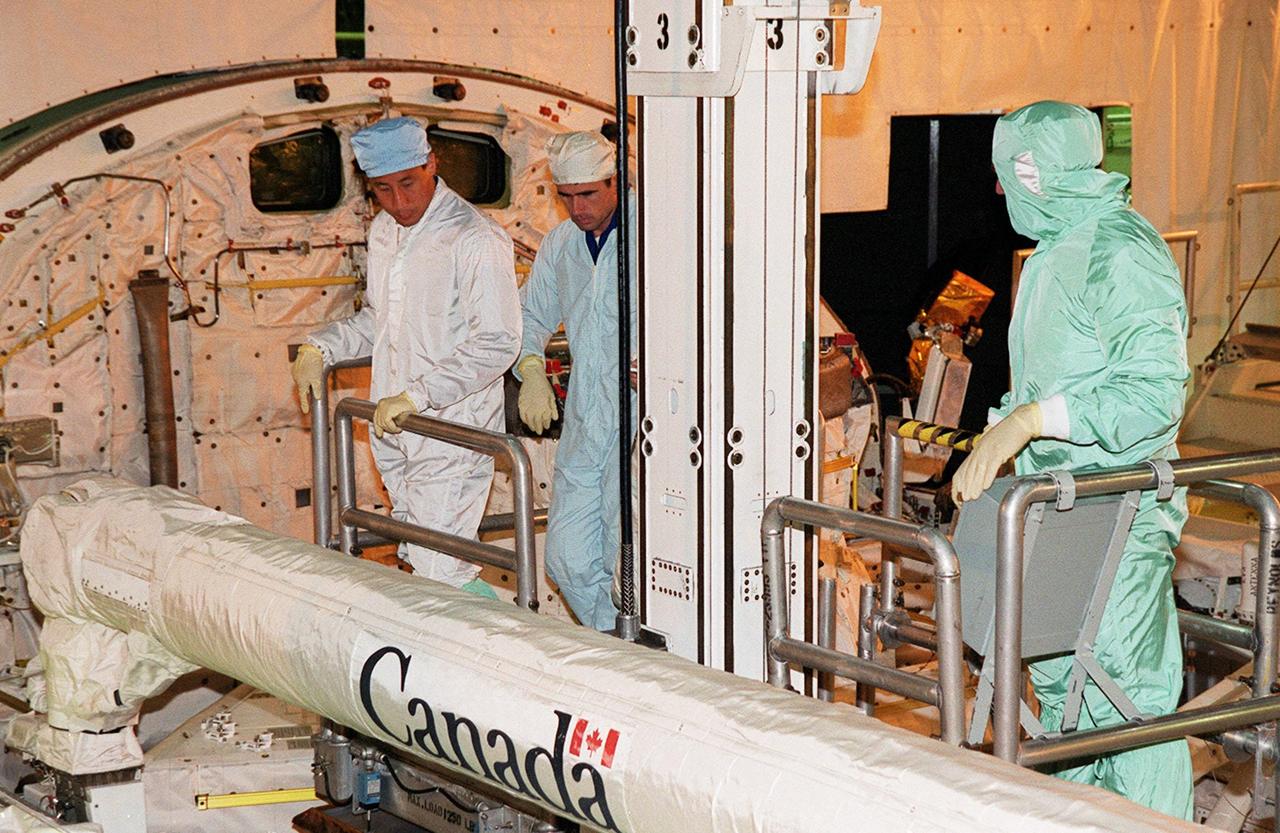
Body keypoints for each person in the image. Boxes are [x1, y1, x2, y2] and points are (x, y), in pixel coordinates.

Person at [952, 101, 1191, 817]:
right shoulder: (1057, 249)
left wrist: (1033, 421)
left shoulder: (1120, 250)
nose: (999, 192)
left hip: (1118, 514)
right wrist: (1004, 429)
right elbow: (1057, 376)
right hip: (1058, 510)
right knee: (1062, 692)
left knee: (1127, 701)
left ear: (1033, 173)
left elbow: (1153, 393)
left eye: (1006, 175)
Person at [291, 117, 521, 597]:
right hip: (394, 425)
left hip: (450, 430)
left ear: (431, 164)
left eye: (408, 183)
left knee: (441, 570)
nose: (398, 202)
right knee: (417, 555)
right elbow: (381, 321)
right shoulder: (384, 232)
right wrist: (321, 345)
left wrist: (419, 395)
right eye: (383, 189)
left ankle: (483, 639)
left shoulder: (473, 238)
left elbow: (497, 341)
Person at [516, 131, 635, 630]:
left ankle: (635, 651)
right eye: (566, 197)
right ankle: (612, 643)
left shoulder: (655, 235)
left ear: (615, 181)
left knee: (625, 560)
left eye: (588, 194)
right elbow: (529, 316)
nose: (577, 208)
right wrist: (530, 368)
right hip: (588, 419)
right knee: (565, 558)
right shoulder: (562, 244)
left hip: (641, 421)